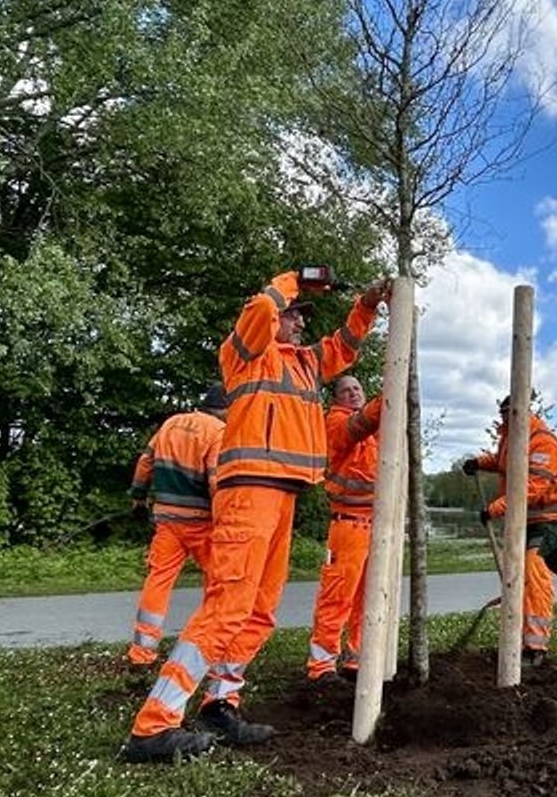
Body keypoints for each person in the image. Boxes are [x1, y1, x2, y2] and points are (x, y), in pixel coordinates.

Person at [121, 269, 391, 764]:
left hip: (284, 493)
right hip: (248, 491)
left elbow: (346, 345)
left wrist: (369, 303)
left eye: (302, 321)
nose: (300, 326)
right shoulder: (245, 354)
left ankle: (219, 703)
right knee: (227, 606)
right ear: (277, 317)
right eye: (294, 318)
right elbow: (260, 311)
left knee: (260, 611)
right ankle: (154, 725)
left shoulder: (307, 365)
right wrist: (294, 280)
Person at [461, 396, 557, 665]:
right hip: (525, 519)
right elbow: (505, 462)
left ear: (524, 412)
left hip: (553, 519)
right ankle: (518, 637)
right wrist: (480, 462)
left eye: (509, 414)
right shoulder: (510, 437)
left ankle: (536, 647)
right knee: (517, 574)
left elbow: (532, 488)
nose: (504, 419)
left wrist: (495, 509)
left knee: (534, 572)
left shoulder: (543, 442)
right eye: (502, 414)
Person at [123, 384, 229, 670]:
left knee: (158, 579)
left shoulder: (171, 424)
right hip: (201, 522)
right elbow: (216, 481)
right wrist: (226, 520)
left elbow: (146, 462)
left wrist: (138, 498)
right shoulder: (218, 432)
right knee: (218, 581)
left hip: (167, 520)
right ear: (226, 408)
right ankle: (210, 644)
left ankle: (142, 652)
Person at [306, 375, 383, 682]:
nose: (353, 393)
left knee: (367, 599)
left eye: (357, 389)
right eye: (346, 391)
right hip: (348, 526)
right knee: (337, 597)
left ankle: (355, 660)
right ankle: (322, 666)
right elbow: (356, 428)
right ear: (336, 399)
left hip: (376, 526)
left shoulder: (377, 431)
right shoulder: (336, 422)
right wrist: (387, 395)